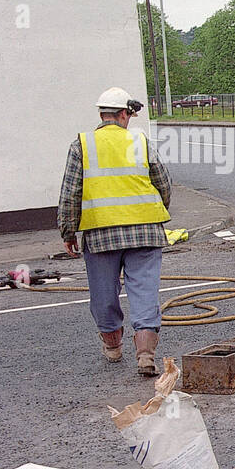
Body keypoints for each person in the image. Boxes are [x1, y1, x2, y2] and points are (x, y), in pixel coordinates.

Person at [57, 88, 172, 377]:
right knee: (145, 290)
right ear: (124, 114)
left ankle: (113, 347)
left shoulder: (82, 145)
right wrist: (158, 211)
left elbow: (71, 193)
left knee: (104, 293)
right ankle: (145, 353)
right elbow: (163, 182)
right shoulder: (139, 141)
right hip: (145, 231)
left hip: (100, 234)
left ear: (101, 115)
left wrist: (68, 231)